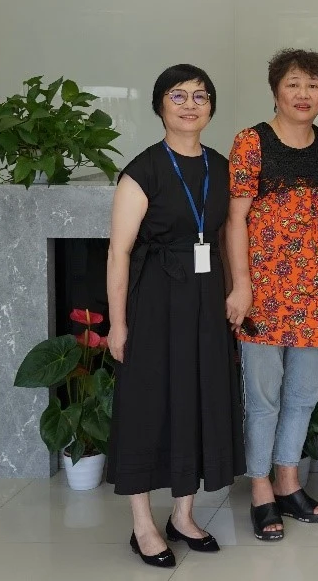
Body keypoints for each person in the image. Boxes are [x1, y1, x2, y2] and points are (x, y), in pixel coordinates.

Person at [106, 64, 243, 569]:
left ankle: (183, 515)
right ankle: (142, 525)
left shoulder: (220, 166)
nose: (190, 105)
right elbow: (119, 252)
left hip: (206, 301)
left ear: (211, 106)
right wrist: (118, 324)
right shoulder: (142, 171)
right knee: (148, 405)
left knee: (198, 399)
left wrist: (237, 290)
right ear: (160, 105)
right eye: (178, 96)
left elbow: (227, 236)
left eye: (200, 96)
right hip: (155, 302)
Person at [225, 49, 318, 542]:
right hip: (265, 294)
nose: (303, 94)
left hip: (317, 292)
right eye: (293, 84)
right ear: (276, 90)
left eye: (313, 85)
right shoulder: (252, 142)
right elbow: (235, 220)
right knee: (263, 398)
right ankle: (260, 489)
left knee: (305, 394)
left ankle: (288, 481)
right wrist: (241, 285)